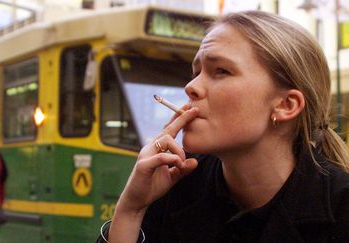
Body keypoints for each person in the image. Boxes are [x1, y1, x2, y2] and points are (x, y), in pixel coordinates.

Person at [97, 10, 349, 242]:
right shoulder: (176, 187)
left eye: (221, 71)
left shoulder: (340, 209)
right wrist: (131, 209)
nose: (190, 86)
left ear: (286, 105)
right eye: (196, 71)